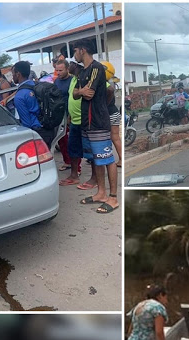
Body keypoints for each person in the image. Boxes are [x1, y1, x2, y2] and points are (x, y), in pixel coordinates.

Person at [73, 38, 118, 214]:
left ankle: (113, 198)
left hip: (98, 121)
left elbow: (89, 94)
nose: (74, 54)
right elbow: (77, 94)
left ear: (82, 50)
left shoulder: (97, 68)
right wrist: (80, 91)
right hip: (87, 123)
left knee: (107, 159)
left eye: (75, 50)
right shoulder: (81, 71)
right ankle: (101, 193)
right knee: (96, 159)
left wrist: (81, 91)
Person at [12, 61, 55, 149]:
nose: (12, 76)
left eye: (13, 73)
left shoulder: (19, 96)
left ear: (18, 74)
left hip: (36, 133)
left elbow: (26, 123)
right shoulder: (37, 85)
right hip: (48, 128)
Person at [59, 60, 83, 187]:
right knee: (72, 148)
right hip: (73, 119)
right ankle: (74, 175)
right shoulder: (74, 80)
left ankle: (95, 179)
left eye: (73, 63)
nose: (72, 64)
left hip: (84, 120)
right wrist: (69, 116)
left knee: (91, 151)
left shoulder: (85, 77)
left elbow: (109, 90)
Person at [54, 59, 73, 172]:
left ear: (67, 69)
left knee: (74, 140)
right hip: (60, 114)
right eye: (57, 70)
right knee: (62, 139)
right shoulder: (56, 81)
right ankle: (67, 161)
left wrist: (70, 115)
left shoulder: (72, 80)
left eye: (61, 70)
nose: (59, 72)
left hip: (72, 114)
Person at [103, 61, 122, 168]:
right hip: (115, 112)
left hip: (109, 115)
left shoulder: (104, 85)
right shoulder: (111, 83)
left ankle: (107, 158)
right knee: (115, 137)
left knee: (106, 138)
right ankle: (121, 159)